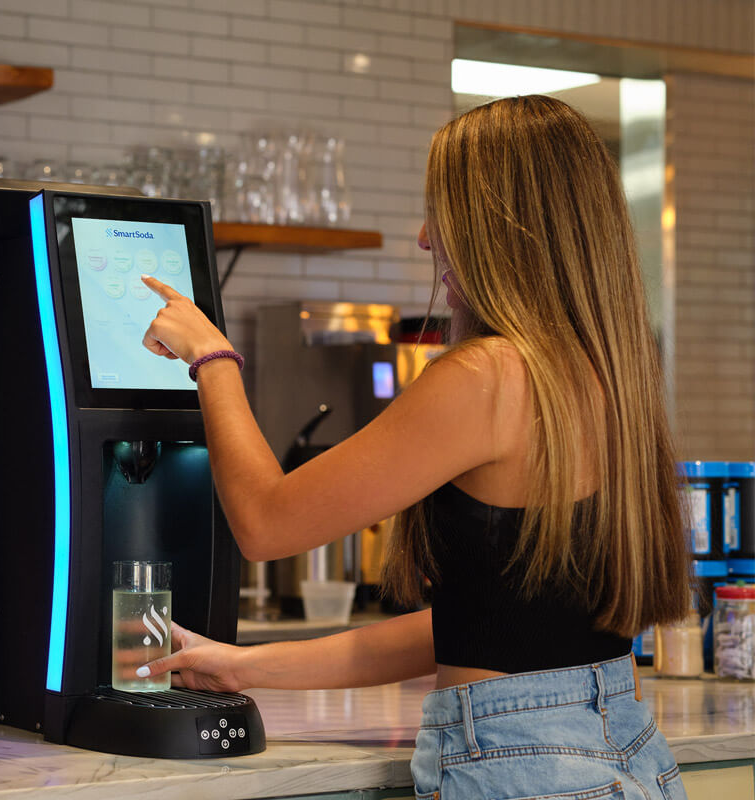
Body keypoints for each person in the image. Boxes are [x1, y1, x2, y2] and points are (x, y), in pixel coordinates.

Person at [137, 96, 691, 798]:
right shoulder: (608, 376)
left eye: (447, 212)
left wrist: (211, 356)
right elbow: (481, 628)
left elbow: (265, 523)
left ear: (507, 228)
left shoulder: (487, 377)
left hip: (522, 769)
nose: (427, 237)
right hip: (624, 755)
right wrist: (245, 667)